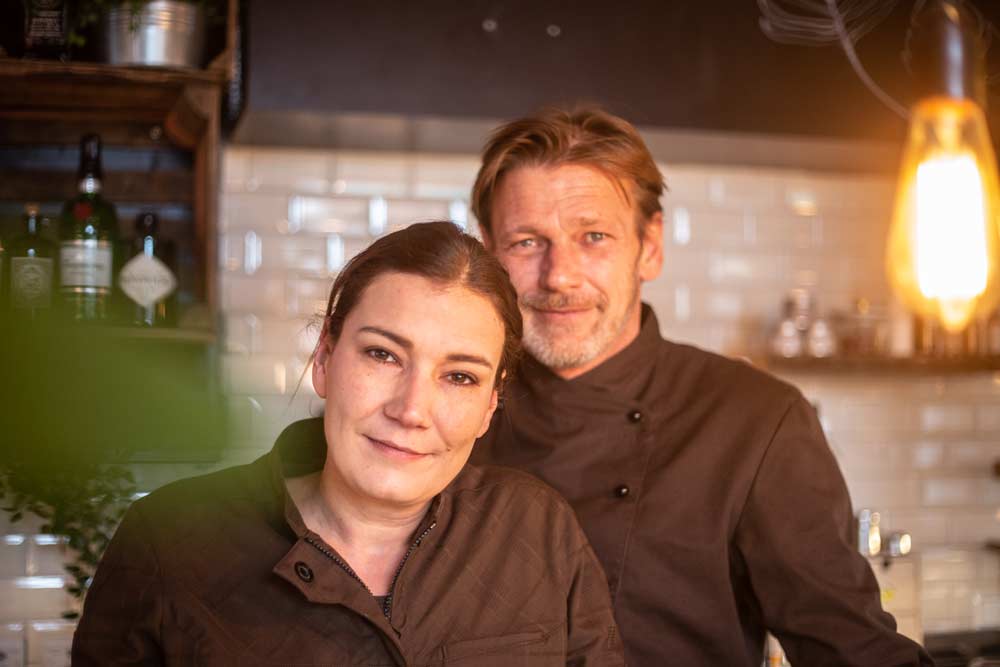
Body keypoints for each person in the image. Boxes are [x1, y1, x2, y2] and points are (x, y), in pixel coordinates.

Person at [468, 107, 934, 666]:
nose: (559, 275)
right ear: (487, 252)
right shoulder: (447, 411)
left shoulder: (755, 422)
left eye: (593, 237)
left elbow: (854, 649)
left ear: (651, 247)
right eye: (526, 242)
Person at [72, 221, 624, 666]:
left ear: (490, 405)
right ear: (326, 358)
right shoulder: (169, 543)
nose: (410, 410)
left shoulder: (536, 529)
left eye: (459, 377)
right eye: (383, 355)